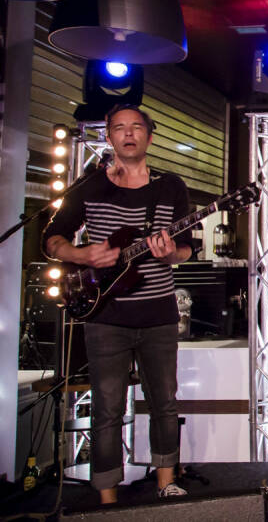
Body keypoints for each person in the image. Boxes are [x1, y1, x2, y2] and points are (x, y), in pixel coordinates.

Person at [43, 104, 192, 504]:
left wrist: (168, 254)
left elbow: (187, 250)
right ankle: (107, 497)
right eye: (119, 128)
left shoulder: (170, 186)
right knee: (107, 408)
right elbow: (52, 238)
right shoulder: (89, 186)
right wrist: (83, 255)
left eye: (136, 127)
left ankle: (166, 482)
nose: (128, 134)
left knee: (164, 402)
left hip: (158, 312)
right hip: (104, 314)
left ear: (150, 135)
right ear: (109, 137)